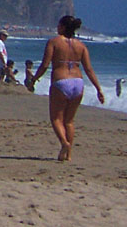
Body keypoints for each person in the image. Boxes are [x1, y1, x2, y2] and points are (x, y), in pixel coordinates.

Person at [31, 15, 105, 161]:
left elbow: (45, 65)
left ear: (63, 27)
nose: (57, 27)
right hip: (78, 82)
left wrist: (34, 79)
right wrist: (98, 89)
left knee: (56, 119)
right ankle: (68, 155)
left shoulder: (53, 42)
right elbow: (89, 69)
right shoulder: (81, 46)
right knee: (69, 121)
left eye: (59, 25)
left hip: (61, 81)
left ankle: (64, 144)